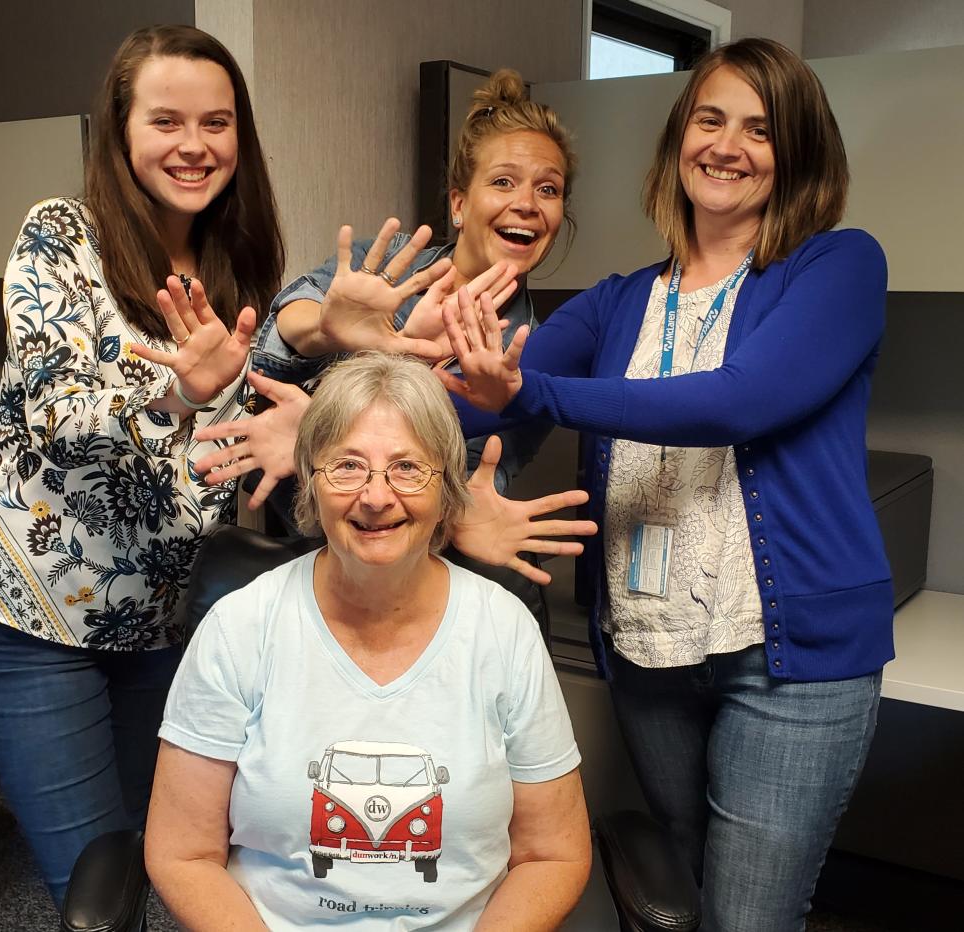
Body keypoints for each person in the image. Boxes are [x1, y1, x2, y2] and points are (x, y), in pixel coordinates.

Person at [441, 38, 889, 931]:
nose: (726, 145)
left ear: (797, 151)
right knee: (676, 898)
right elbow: (473, 411)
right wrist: (337, 403)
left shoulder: (838, 267)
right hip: (651, 649)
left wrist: (530, 388)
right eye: (709, 119)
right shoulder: (619, 302)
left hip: (788, 663)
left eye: (760, 129)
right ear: (679, 139)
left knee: (749, 917)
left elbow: (740, 401)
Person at [0, 24, 283, 906]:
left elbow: (251, 421)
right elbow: (57, 417)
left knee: (162, 862)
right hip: (34, 620)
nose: (194, 145)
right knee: (92, 885)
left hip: (166, 619)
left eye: (216, 122)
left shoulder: (236, 265)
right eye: (166, 120)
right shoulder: (62, 236)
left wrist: (315, 343)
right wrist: (177, 397)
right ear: (121, 130)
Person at [146, 353, 591, 930]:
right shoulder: (240, 628)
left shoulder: (503, 631)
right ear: (311, 479)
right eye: (348, 466)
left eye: (408, 468)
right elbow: (184, 853)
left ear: (446, 489)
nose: (377, 497)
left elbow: (551, 854)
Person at [200, 68, 576, 499]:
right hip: (292, 533)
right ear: (459, 204)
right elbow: (280, 332)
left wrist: (318, 435)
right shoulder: (393, 262)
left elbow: (465, 488)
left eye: (548, 188)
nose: (527, 204)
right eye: (503, 182)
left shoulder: (535, 360)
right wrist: (326, 328)